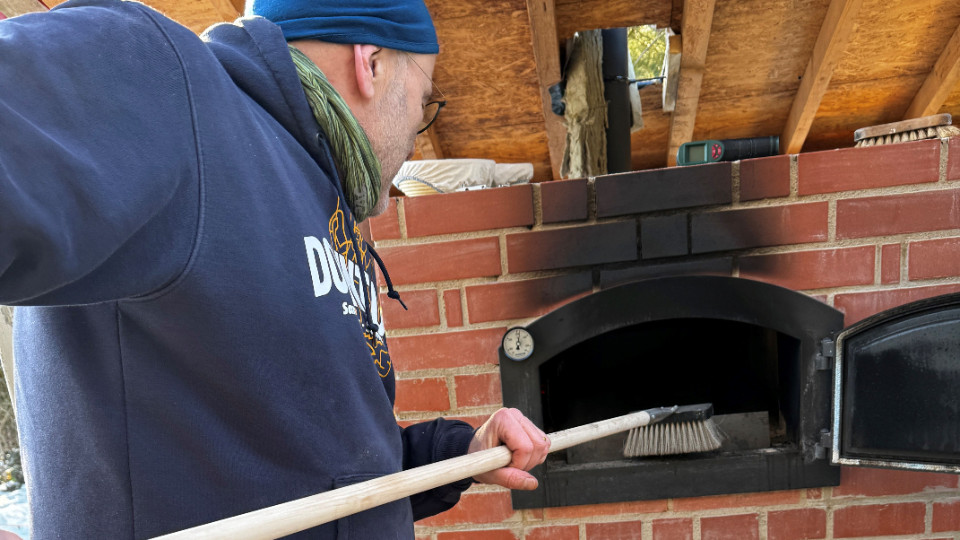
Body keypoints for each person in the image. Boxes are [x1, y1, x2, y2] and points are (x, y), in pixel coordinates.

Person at [0, 0, 550, 537]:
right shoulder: (168, 85)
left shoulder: (319, 204)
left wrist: (457, 454)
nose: (416, 127)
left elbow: (327, 473)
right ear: (372, 62)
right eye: (424, 97)